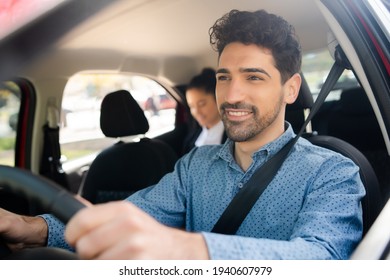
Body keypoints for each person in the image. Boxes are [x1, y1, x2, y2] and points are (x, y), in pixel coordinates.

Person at [0, 9, 365, 260]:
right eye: (224, 77)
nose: (232, 95)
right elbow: (130, 215)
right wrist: (31, 227)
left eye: (254, 77)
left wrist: (188, 250)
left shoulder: (333, 172)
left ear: (290, 89)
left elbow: (322, 258)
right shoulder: (195, 166)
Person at [182, 67, 227, 154]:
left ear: (218, 100)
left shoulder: (236, 139)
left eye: (202, 104)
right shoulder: (191, 139)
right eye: (192, 106)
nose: (196, 112)